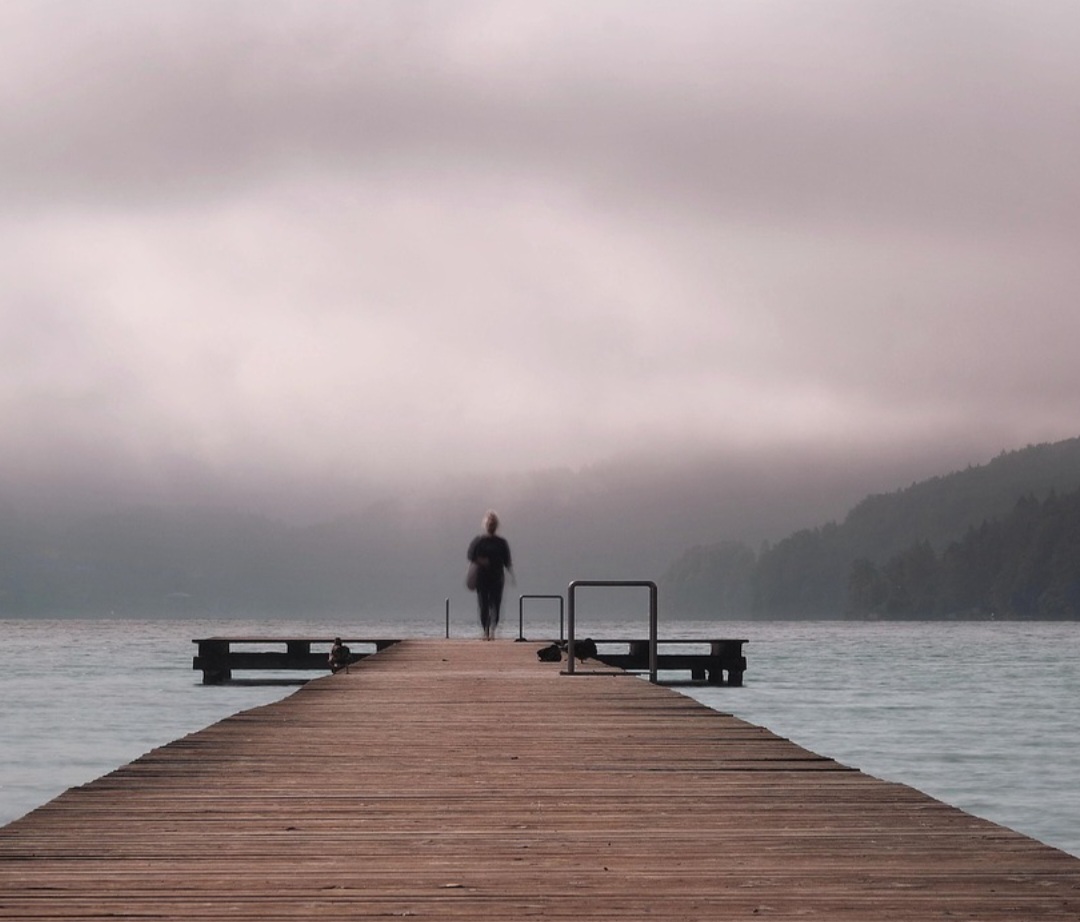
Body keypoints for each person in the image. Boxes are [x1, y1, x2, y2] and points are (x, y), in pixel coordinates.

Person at [467, 510, 513, 640]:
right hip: (482, 578)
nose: (491, 526)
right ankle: (485, 630)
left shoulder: (501, 542)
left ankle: (492, 629)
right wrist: (481, 560)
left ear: (496, 526)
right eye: (489, 523)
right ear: (486, 525)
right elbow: (471, 555)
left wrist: (510, 572)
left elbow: (507, 560)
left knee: (495, 604)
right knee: (483, 605)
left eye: (493, 524)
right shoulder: (479, 541)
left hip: (497, 578)